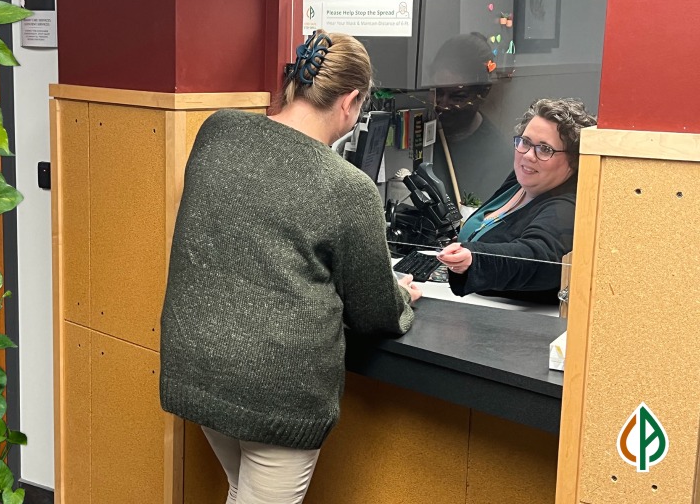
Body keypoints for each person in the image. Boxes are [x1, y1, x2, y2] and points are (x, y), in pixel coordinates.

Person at [159, 30, 421, 504]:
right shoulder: (348, 187)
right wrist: (403, 295)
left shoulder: (217, 131)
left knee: (240, 490)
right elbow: (374, 311)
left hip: (195, 364)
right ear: (352, 101)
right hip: (275, 388)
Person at [437, 97, 597, 303]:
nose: (529, 155)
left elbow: (537, 256)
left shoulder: (565, 207)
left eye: (545, 149)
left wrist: (474, 258)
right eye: (525, 142)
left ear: (574, 160)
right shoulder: (522, 181)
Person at [430, 33, 513, 204]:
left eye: (457, 97)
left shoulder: (498, 160)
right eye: (438, 93)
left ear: (483, 93)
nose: (443, 105)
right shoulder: (423, 130)